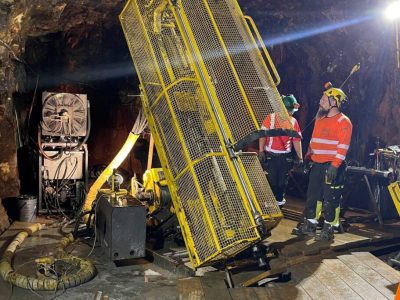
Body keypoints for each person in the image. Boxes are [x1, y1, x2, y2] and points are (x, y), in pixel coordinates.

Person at [292, 84, 352, 241]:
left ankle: (328, 228)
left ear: (335, 102)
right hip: (317, 165)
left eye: (324, 99)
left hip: (332, 166)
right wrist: (307, 156)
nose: (320, 101)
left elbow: (343, 146)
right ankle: (310, 225)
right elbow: (313, 140)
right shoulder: (320, 118)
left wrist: (334, 165)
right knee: (313, 197)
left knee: (330, 199)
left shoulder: (344, 122)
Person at [259, 94, 303, 208]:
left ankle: (279, 204)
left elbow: (296, 140)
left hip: (285, 157)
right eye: (289, 110)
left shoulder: (293, 122)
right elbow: (262, 135)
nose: (291, 113)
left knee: (282, 182)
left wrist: (300, 157)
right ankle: (269, 204)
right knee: (271, 180)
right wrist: (261, 151)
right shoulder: (271, 118)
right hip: (271, 155)